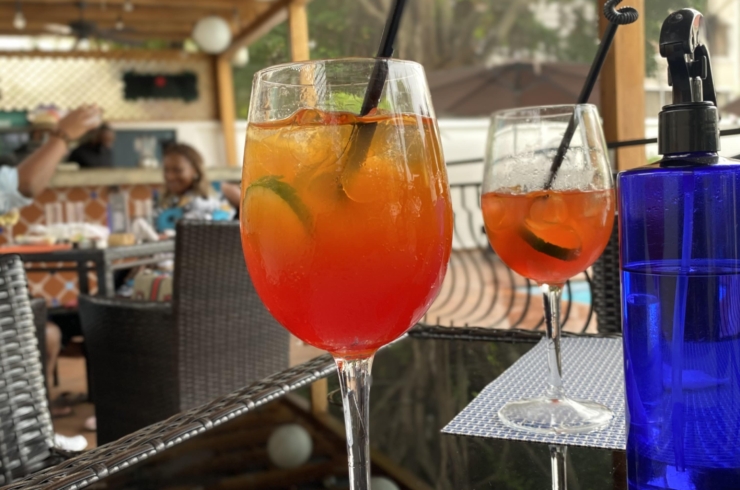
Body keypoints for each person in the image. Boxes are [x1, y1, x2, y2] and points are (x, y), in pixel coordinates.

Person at [0, 105, 102, 215]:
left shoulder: (59, 152)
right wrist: (62, 136)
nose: (49, 136)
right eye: (49, 132)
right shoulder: (13, 157)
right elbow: (20, 187)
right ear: (37, 133)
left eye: (52, 131)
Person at [154, 143, 235, 232]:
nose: (170, 177)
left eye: (177, 170)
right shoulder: (161, 198)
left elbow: (247, 209)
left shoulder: (218, 189)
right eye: (166, 170)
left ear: (195, 170)